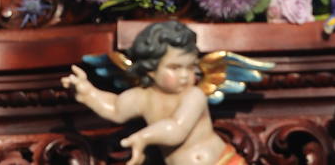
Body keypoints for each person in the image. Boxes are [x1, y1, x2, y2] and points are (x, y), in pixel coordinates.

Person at [63, 21, 243, 165]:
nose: (184, 75)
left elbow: (177, 129)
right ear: (151, 70)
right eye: (175, 67)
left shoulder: (193, 96)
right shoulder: (143, 97)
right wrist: (88, 93)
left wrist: (143, 137)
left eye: (190, 67)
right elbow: (115, 108)